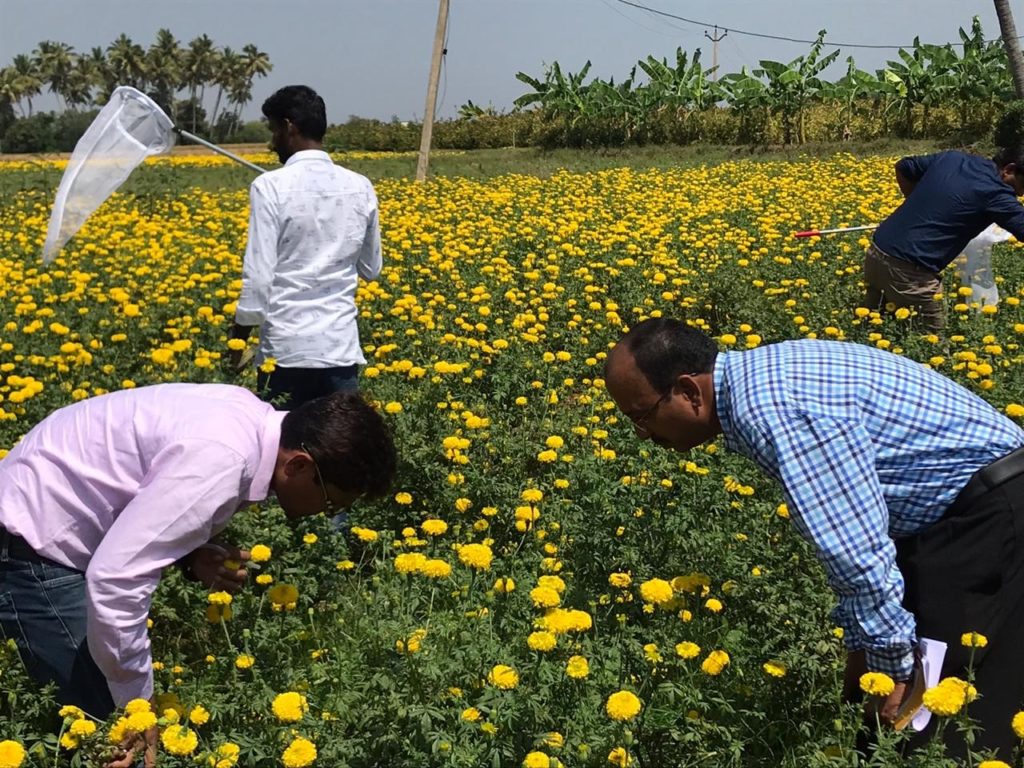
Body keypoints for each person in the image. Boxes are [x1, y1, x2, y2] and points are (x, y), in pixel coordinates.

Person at [604, 317, 1024, 760]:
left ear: (689, 392)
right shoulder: (762, 378)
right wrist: (863, 647)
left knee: (930, 720)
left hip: (989, 514)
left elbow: (854, 552)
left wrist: (889, 667)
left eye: (642, 416)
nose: (644, 436)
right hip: (976, 507)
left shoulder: (774, 409)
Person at [0, 383, 396, 766]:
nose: (322, 514)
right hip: (34, 540)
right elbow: (115, 580)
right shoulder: (224, 458)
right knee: (117, 739)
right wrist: (138, 706)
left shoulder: (247, 421)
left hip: (39, 514)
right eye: (330, 502)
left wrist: (189, 555)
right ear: (299, 465)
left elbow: (144, 500)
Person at [228, 85, 383, 408]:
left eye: (273, 131)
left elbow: (258, 279)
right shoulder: (360, 186)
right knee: (339, 451)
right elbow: (371, 269)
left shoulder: (269, 186)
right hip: (339, 350)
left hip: (286, 352)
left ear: (289, 127)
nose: (272, 143)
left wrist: (238, 340)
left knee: (285, 451)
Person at [865, 144, 1024, 330]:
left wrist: (918, 205)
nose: (1021, 193)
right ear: (1009, 169)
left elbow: (904, 166)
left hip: (876, 252)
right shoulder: (997, 194)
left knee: (872, 324)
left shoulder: (953, 158)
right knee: (931, 343)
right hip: (909, 272)